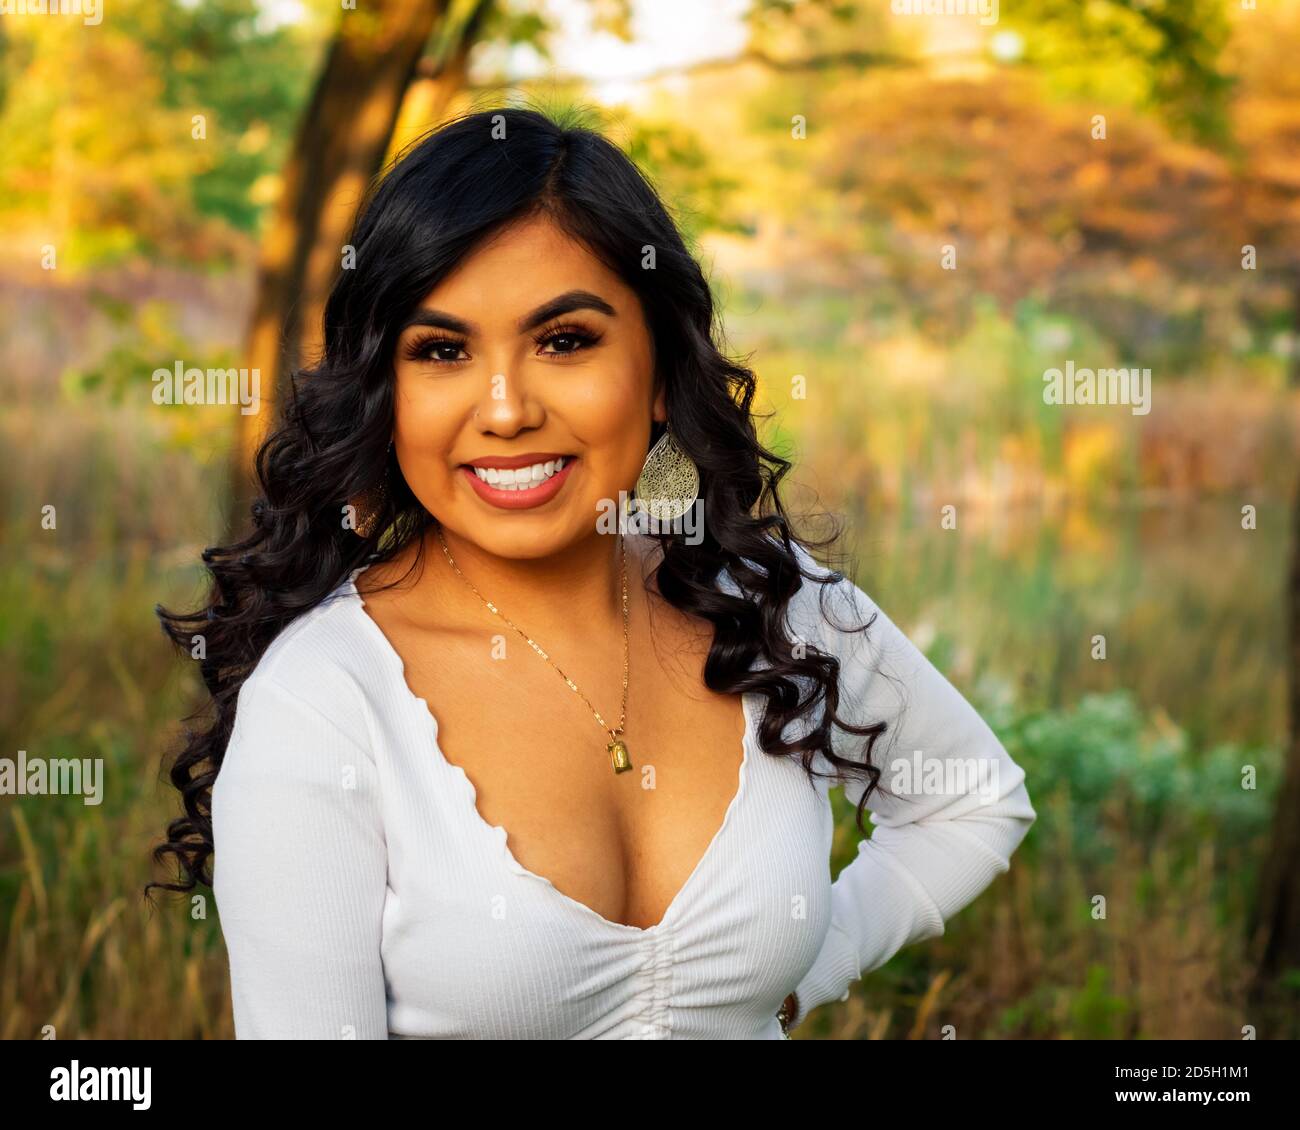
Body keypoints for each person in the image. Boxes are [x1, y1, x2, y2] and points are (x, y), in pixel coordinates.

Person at [151, 106, 1037, 1039]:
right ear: (386, 391)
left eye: (564, 341)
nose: (504, 411)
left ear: (659, 370)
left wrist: (814, 961)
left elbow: (972, 801)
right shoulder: (327, 699)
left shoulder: (767, 600)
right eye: (442, 351)